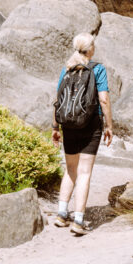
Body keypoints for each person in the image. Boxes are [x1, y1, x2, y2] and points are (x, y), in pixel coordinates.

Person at [52, 32, 113, 236]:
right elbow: (103, 100)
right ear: (91, 49)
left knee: (70, 169)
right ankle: (78, 220)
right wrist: (109, 126)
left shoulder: (67, 68)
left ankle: (62, 214)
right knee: (84, 173)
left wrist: (55, 127)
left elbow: (58, 99)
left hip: (68, 125)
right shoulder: (98, 69)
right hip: (90, 125)